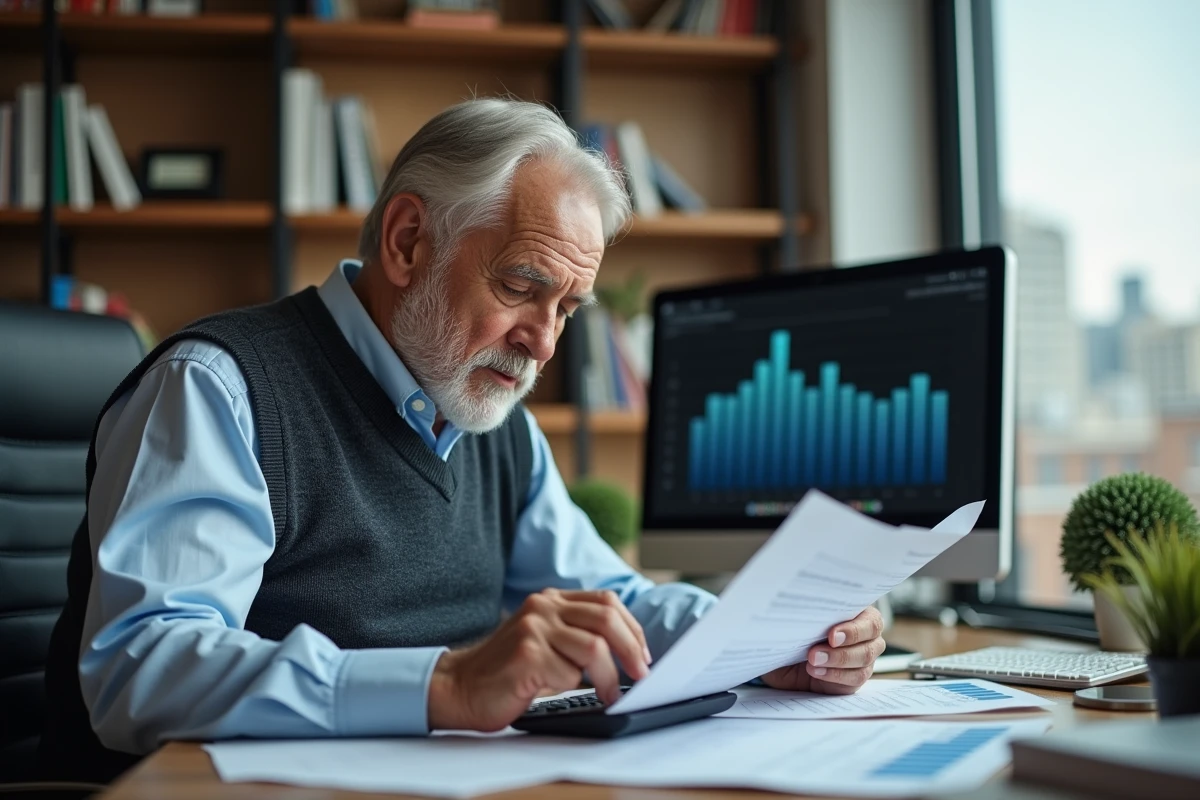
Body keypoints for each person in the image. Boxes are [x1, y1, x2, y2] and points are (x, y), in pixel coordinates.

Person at [39, 99, 885, 783]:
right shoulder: (217, 389)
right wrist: (447, 683)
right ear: (408, 241)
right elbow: (141, 669)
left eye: (567, 309)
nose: (543, 344)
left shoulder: (493, 422)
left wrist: (772, 642)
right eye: (521, 286)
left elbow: (612, 604)